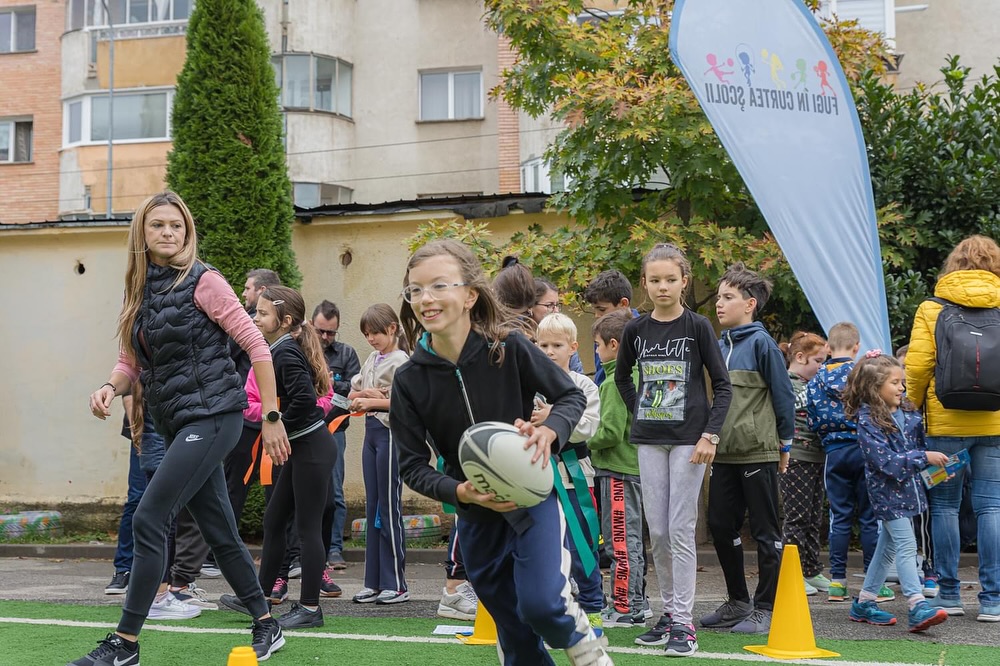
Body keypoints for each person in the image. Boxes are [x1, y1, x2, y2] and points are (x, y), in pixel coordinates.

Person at [74, 191, 287, 666]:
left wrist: (271, 416)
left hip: (215, 416)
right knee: (220, 530)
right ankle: (266, 623)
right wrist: (110, 387)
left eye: (177, 226)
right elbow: (130, 362)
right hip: (177, 422)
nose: (168, 233)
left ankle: (125, 643)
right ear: (142, 233)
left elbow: (257, 345)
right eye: (158, 226)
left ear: (187, 232)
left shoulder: (204, 280)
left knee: (150, 517)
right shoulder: (140, 290)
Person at [390, 239, 612, 665]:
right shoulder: (409, 380)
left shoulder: (508, 347)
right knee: (516, 637)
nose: (425, 299)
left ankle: (582, 641)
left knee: (543, 606)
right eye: (415, 290)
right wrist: (459, 491)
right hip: (476, 521)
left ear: (470, 295)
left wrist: (549, 430)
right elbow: (412, 466)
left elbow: (570, 398)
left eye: (438, 286)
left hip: (534, 501)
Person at [615, 243, 732, 655]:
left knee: (680, 530)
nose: (662, 286)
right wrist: (641, 414)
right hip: (649, 441)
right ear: (644, 283)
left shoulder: (698, 327)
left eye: (670, 279)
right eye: (654, 280)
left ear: (684, 281)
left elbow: (723, 386)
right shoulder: (635, 329)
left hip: (689, 442)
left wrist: (709, 435)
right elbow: (623, 380)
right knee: (659, 532)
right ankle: (669, 613)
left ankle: (684, 622)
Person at [221, 286, 339, 629]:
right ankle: (258, 598)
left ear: (284, 321)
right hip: (302, 448)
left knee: (307, 529)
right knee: (274, 520)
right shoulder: (280, 348)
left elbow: (305, 401)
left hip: (312, 450)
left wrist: (277, 425)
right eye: (255, 312)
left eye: (261, 313)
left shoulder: (284, 353)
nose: (255, 318)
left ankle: (310, 607)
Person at [906, 235, 1000, 622]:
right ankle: (993, 600)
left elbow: (918, 365)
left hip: (944, 425)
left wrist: (911, 405)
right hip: (994, 424)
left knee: (943, 507)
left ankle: (948, 593)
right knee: (991, 507)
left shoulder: (932, 307)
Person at [702, 262, 793, 635]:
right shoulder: (720, 345)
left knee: (765, 530)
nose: (719, 304)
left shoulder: (762, 344)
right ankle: (738, 602)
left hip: (758, 453)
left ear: (750, 304)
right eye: (719, 297)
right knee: (720, 525)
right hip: (723, 454)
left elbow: (783, 395)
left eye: (727, 297)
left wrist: (784, 444)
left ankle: (765, 607)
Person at [843, 351, 951, 632]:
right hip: (888, 496)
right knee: (906, 546)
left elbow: (916, 452)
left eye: (902, 382)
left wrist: (936, 472)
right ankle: (917, 605)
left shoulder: (910, 415)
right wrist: (924, 458)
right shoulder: (867, 421)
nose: (902, 388)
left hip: (911, 492)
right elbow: (885, 463)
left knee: (887, 548)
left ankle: (864, 602)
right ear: (874, 387)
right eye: (895, 382)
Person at [204, 268, 282, 579]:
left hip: (265, 419)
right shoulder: (247, 325)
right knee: (234, 486)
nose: (244, 294)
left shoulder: (270, 334)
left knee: (272, 490)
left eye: (248, 289)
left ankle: (278, 560)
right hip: (249, 420)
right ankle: (215, 554)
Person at [534, 313, 604, 631]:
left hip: (574, 474)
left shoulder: (583, 385)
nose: (549, 351)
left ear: (573, 347)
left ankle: (591, 606)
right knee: (544, 544)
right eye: (543, 344)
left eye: (557, 345)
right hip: (536, 476)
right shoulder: (528, 383)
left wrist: (555, 417)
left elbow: (588, 427)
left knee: (581, 542)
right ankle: (552, 609)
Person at [806, 322, 883, 603]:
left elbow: (812, 416)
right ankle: (873, 583)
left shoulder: (816, 380)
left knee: (839, 516)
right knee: (869, 517)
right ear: (856, 348)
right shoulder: (864, 375)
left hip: (834, 452)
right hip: (865, 449)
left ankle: (837, 581)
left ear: (827, 347)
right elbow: (879, 407)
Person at [350, 303, 411, 604]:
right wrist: (369, 396)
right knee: (373, 506)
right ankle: (372, 580)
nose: (371, 339)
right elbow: (353, 393)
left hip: (390, 435)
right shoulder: (372, 358)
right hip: (371, 435)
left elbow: (406, 405)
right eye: (367, 334)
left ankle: (396, 582)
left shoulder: (402, 361)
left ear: (392, 328)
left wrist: (374, 401)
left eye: (375, 332)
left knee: (388, 508)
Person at [589, 309, 645, 629]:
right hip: (634, 469)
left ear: (613, 345)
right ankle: (634, 604)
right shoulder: (641, 375)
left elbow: (609, 432)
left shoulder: (613, 382)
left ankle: (624, 607)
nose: (596, 352)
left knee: (619, 543)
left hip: (617, 471)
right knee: (632, 541)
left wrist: (582, 439)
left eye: (597, 345)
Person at [778, 331, 830, 596]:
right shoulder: (786, 383)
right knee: (796, 518)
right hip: (795, 458)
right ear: (799, 357)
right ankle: (792, 573)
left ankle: (811, 569)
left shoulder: (816, 385)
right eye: (818, 361)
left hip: (816, 458)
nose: (822, 367)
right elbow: (788, 408)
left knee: (813, 517)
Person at [313, 300, 362, 570]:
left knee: (335, 492)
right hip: (306, 429)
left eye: (331, 332)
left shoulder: (347, 353)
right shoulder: (302, 350)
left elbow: (353, 392)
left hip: (335, 429)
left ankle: (333, 549)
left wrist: (333, 385)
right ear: (311, 325)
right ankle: (304, 551)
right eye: (321, 331)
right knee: (306, 491)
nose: (325, 338)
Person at [105, 401, 147, 596]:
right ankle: (123, 569)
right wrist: (136, 428)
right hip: (146, 427)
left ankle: (177, 576)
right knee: (137, 498)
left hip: (180, 424)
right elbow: (130, 388)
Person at [582, 270, 636, 385]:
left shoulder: (642, 331)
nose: (597, 315)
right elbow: (601, 376)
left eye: (602, 310)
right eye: (595, 310)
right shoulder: (602, 331)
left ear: (623, 304)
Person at [532, 278, 584, 373]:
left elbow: (577, 374)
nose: (555, 311)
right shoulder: (519, 339)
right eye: (549, 305)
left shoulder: (564, 333)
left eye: (557, 305)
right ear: (530, 306)